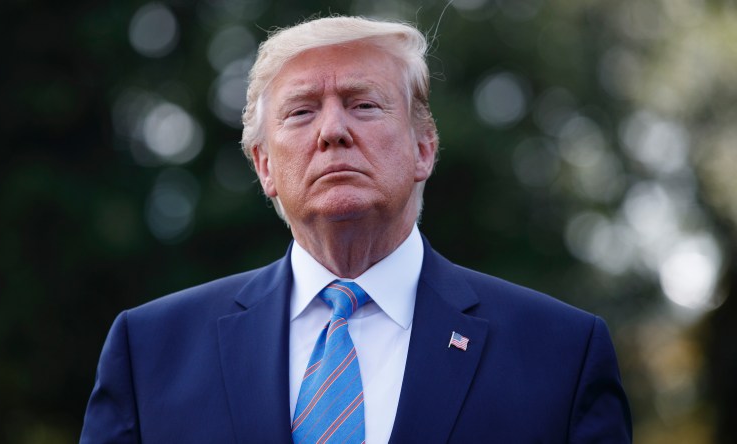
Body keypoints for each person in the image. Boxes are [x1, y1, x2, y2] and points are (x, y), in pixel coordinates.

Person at [81, 15, 632, 443]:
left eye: (363, 104)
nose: (333, 131)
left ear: (424, 147)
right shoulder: (150, 351)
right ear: (264, 166)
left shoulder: (560, 354)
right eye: (300, 112)